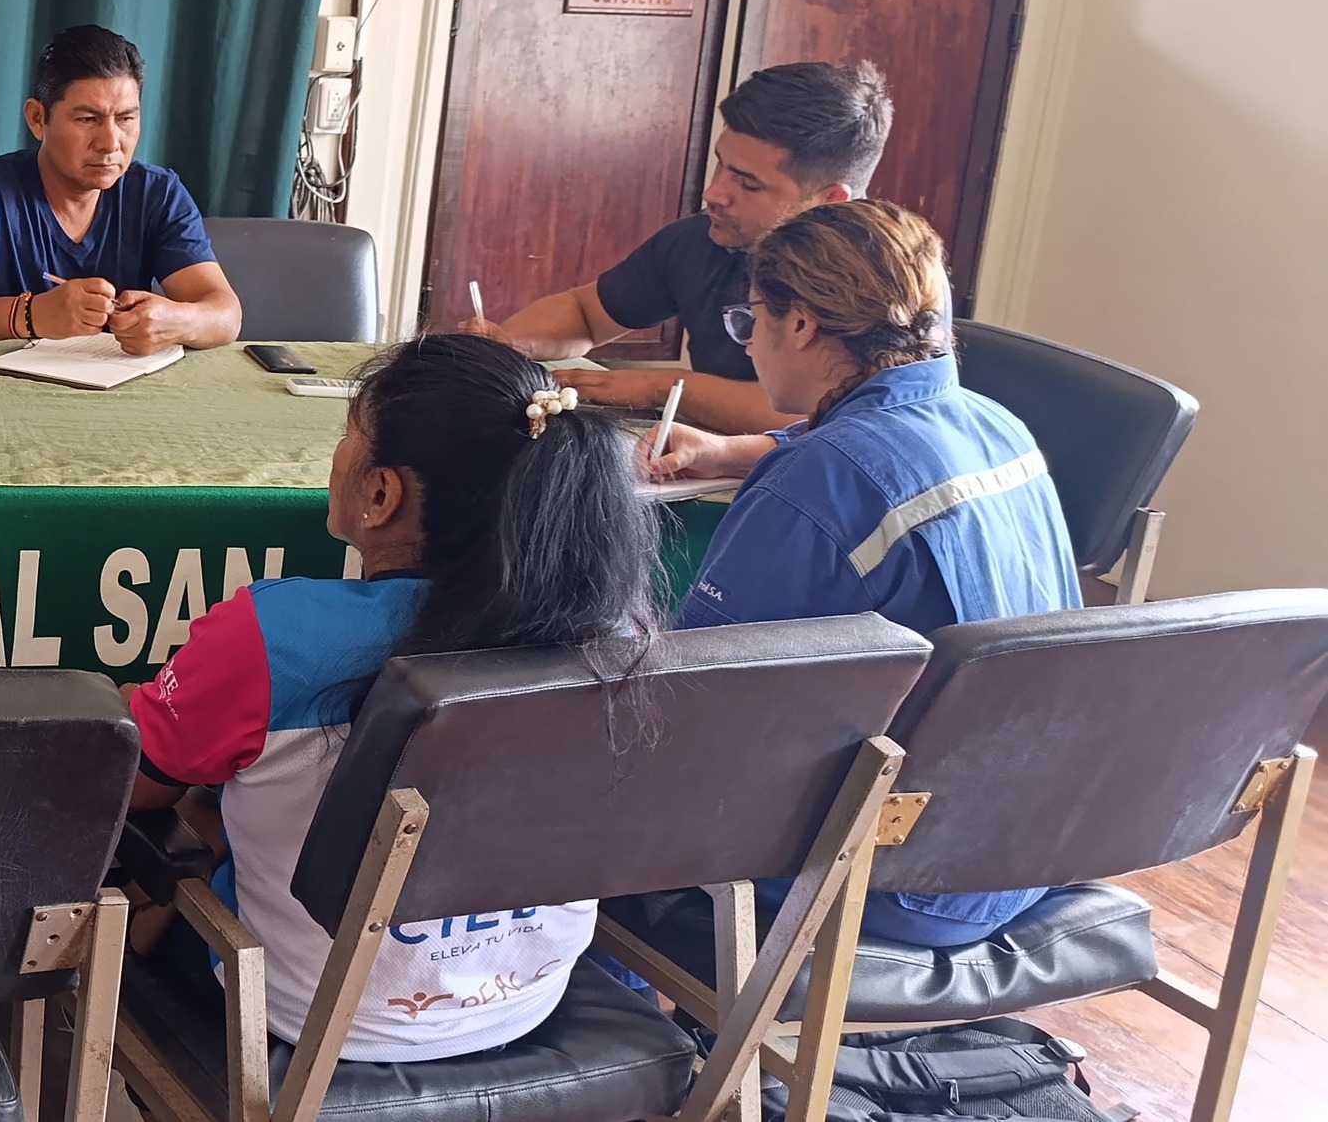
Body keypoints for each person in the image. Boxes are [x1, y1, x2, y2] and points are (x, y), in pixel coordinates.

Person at [127, 333, 662, 1061]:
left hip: (305, 1016)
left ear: (382, 494)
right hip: (524, 1000)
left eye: (349, 436)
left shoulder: (275, 635)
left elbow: (134, 788)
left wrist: (144, 711)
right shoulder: (620, 634)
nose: (338, 454)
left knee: (168, 849)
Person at [650, 199, 1083, 945]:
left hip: (895, 875)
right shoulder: (997, 424)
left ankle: (619, 1006)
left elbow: (692, 703)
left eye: (749, 320)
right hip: (1031, 842)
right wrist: (734, 451)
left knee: (596, 778)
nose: (748, 343)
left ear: (799, 324)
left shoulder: (816, 484)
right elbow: (879, 454)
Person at [462, 60, 893, 433]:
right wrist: (509, 343)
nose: (714, 194)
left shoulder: (885, 282)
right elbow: (587, 315)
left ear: (829, 199)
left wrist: (662, 387)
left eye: (748, 184)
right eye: (722, 164)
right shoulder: (700, 240)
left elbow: (823, 416)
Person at [0, 25, 243, 352]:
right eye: (87, 119)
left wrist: (175, 321)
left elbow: (226, 314)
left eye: (126, 119)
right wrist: (30, 315)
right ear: (37, 119)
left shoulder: (158, 194)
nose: (110, 143)